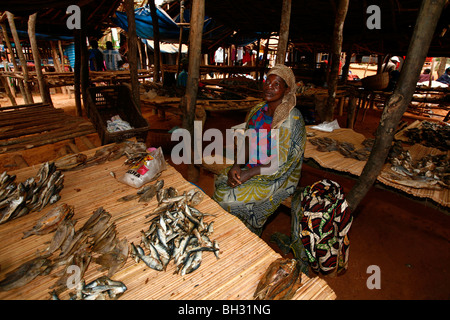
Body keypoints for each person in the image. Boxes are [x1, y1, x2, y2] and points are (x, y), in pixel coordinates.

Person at [213, 64, 307, 235]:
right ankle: (241, 229)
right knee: (221, 181)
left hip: (279, 176)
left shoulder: (291, 119)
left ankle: (251, 232)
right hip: (254, 166)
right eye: (267, 82)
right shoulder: (258, 111)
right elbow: (248, 142)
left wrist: (249, 173)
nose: (268, 87)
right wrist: (237, 165)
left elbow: (281, 162)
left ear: (286, 90)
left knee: (224, 198)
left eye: (276, 84)